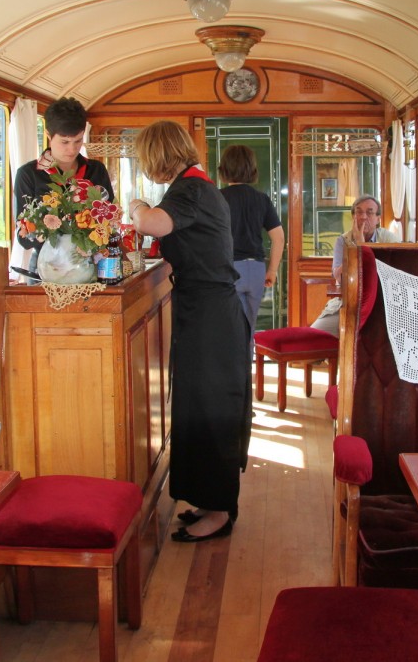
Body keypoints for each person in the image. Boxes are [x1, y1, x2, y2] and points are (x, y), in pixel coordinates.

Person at [128, 121, 251, 543]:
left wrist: (136, 206)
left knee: (212, 409)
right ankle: (207, 500)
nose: (145, 166)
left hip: (211, 317)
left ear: (159, 155)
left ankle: (219, 512)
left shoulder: (192, 189)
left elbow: (153, 224)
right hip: (203, 311)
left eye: (145, 158)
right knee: (197, 408)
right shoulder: (193, 186)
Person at [14, 97, 114, 272]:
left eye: (78, 141)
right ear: (48, 135)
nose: (72, 149)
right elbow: (23, 237)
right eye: (65, 142)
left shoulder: (96, 170)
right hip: (46, 265)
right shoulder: (29, 174)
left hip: (90, 263)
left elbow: (110, 221)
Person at [218, 145, 284, 344]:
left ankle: (234, 365)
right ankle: (247, 364)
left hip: (229, 269)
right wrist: (272, 270)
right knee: (249, 327)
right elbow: (279, 238)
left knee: (229, 330)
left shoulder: (218, 199)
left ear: (224, 169)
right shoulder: (262, 199)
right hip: (256, 269)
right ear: (252, 170)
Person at [311, 195, 400, 336]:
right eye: (359, 212)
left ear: (378, 219)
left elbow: (395, 275)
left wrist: (363, 246)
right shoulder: (343, 240)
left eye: (369, 212)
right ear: (353, 216)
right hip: (348, 303)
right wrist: (358, 246)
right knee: (315, 334)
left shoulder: (389, 240)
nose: (363, 217)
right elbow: (339, 277)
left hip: (384, 304)